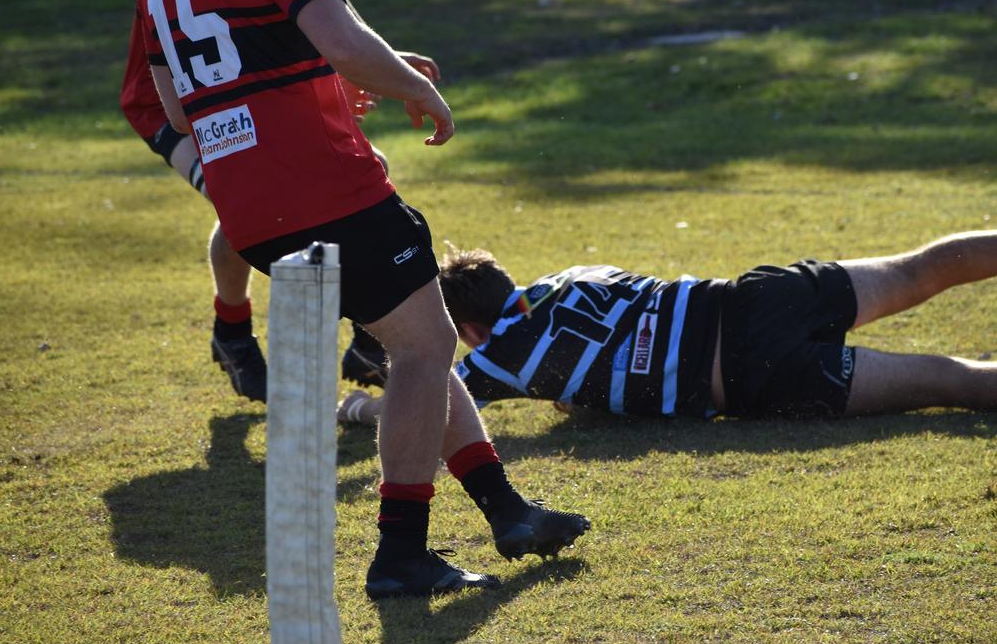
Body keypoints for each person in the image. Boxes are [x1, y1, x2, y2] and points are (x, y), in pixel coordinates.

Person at [138, 0, 590, 599]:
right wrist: (417, 87)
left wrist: (297, 83)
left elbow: (178, 104)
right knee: (423, 348)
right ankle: (402, 555)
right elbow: (344, 41)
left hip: (247, 210)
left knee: (419, 340)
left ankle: (506, 510)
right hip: (327, 190)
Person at [119, 0, 401, 402]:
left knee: (330, 182)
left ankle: (368, 335)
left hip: (236, 91)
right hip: (174, 100)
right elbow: (193, 34)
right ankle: (234, 332)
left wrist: (377, 63)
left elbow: (306, 7)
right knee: (257, 206)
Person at [339, 231, 997, 425]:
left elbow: (424, 400)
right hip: (754, 300)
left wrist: (357, 407)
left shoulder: (494, 362)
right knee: (920, 270)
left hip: (753, 381)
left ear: (470, 331)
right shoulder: (574, 271)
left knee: (949, 380)